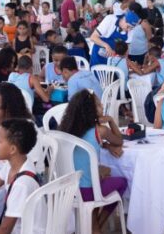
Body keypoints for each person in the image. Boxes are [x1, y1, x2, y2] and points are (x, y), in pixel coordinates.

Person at [59, 91, 126, 234]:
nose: (102, 106)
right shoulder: (101, 131)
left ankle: (91, 227)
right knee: (122, 182)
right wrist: (111, 120)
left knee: (100, 177)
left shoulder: (66, 129)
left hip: (67, 190)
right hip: (88, 192)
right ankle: (96, 227)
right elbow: (119, 140)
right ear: (90, 110)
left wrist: (105, 145)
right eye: (99, 105)